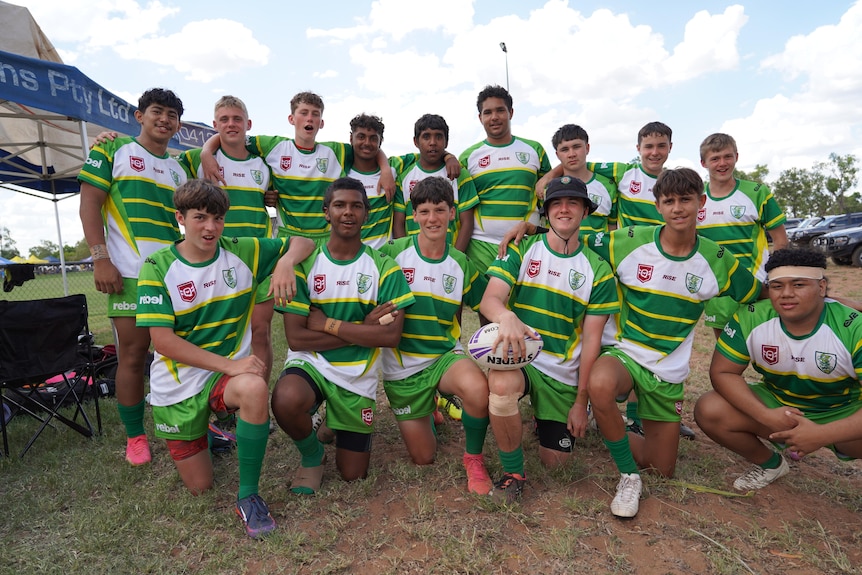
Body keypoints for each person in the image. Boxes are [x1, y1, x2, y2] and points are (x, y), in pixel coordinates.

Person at [136, 180, 314, 538]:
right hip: (179, 385)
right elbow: (163, 341)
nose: (210, 227)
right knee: (200, 486)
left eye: (217, 218)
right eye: (199, 217)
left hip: (224, 379)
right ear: (180, 218)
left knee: (252, 387)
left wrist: (285, 263)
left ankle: (248, 496)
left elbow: (305, 241)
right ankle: (209, 431)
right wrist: (230, 365)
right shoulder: (157, 266)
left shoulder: (241, 251)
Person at [586, 168, 760, 518]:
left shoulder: (718, 259)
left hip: (669, 369)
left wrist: (825, 298)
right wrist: (531, 229)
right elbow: (573, 242)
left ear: (702, 202)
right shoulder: (628, 240)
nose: (678, 208)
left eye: (686, 199)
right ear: (658, 205)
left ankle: (607, 426)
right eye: (669, 201)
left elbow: (761, 295)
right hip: (626, 353)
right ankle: (627, 474)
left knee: (662, 469)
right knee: (600, 384)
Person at [480, 176, 620, 502]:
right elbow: (490, 300)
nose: (564, 209)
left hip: (563, 370)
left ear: (586, 211)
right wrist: (506, 316)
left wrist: (580, 402)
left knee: (557, 466)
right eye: (556, 203)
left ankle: (544, 417)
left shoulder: (598, 270)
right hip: (523, 358)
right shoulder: (521, 248)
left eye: (573, 202)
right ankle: (513, 474)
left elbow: (591, 343)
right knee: (501, 387)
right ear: (546, 212)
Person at [270, 177, 415, 493]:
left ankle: (334, 421)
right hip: (312, 363)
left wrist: (327, 324)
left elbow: (390, 337)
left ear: (366, 214)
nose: (348, 212)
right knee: (286, 398)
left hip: (357, 374)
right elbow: (297, 339)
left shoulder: (385, 267)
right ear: (326, 212)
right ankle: (312, 455)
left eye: (356, 206)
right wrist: (365, 329)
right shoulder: (305, 264)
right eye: (339, 205)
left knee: (353, 475)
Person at [78, 88, 188, 466]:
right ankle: (135, 437)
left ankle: (189, 424)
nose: (164, 119)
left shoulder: (180, 168)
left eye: (172, 115)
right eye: (157, 111)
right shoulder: (111, 149)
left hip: (173, 275)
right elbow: (89, 203)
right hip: (128, 274)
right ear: (139, 116)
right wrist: (100, 259)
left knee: (181, 353)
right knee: (133, 355)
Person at [694, 248, 862, 491]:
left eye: (799, 285)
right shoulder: (751, 318)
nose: (786, 294)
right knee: (710, 409)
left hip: (842, 411)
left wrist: (822, 434)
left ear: (822, 288)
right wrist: (766, 416)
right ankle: (771, 464)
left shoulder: (853, 328)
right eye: (777, 286)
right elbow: (723, 372)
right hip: (780, 406)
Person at [379, 177, 492, 493]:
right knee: (424, 457)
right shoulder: (392, 254)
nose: (432, 218)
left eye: (440, 210)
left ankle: (474, 459)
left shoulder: (460, 262)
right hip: (401, 370)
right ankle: (429, 403)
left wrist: (507, 319)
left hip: (443, 356)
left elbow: (488, 302)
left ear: (452, 212)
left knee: (476, 388)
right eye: (424, 211)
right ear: (413, 215)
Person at [200, 91, 395, 245]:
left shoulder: (336, 151)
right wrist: (206, 153)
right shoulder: (273, 147)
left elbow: (367, 148)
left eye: (315, 114)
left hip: (326, 238)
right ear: (292, 119)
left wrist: (385, 169)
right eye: (304, 113)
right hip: (288, 237)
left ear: (321, 122)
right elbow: (233, 134)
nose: (309, 119)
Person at [178, 95, 279, 382]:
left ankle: (257, 397)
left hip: (259, 258)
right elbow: (159, 163)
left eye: (236, 119)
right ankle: (220, 404)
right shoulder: (193, 160)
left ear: (248, 124)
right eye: (224, 119)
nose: (231, 124)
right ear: (215, 125)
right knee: (218, 332)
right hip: (217, 258)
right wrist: (206, 153)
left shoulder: (264, 165)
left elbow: (272, 198)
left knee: (260, 331)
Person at [697, 133, 788, 338]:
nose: (722, 163)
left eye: (727, 156)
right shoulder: (695, 197)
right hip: (718, 288)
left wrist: (775, 276)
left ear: (736, 157)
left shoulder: (757, 192)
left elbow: (781, 240)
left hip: (757, 285)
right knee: (726, 350)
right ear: (704, 163)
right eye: (715, 158)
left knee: (769, 346)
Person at [460, 85, 551, 278]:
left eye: (500, 110)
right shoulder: (468, 157)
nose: (494, 117)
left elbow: (550, 193)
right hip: (481, 246)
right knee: (487, 306)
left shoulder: (534, 150)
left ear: (510, 112)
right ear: (480, 118)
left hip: (526, 242)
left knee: (525, 306)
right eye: (488, 112)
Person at [393, 114, 478, 252]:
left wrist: (455, 258)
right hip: (413, 258)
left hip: (450, 256)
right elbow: (398, 224)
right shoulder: (404, 177)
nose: (433, 142)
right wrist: (405, 255)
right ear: (416, 141)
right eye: (426, 136)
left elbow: (467, 223)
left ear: (446, 142)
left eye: (438, 136)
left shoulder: (460, 175)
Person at [549, 124, 618, 243]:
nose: (571, 154)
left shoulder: (608, 186)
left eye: (576, 147)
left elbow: (612, 230)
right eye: (564, 149)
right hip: (558, 257)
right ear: (557, 155)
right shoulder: (548, 187)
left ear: (587, 148)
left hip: (596, 257)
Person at [345, 113, 396, 250]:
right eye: (361, 137)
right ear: (351, 138)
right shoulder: (341, 175)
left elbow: (427, 156)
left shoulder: (394, 171)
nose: (367, 143)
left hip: (383, 259)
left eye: (373, 138)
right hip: (350, 257)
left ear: (381, 141)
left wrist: (448, 157)